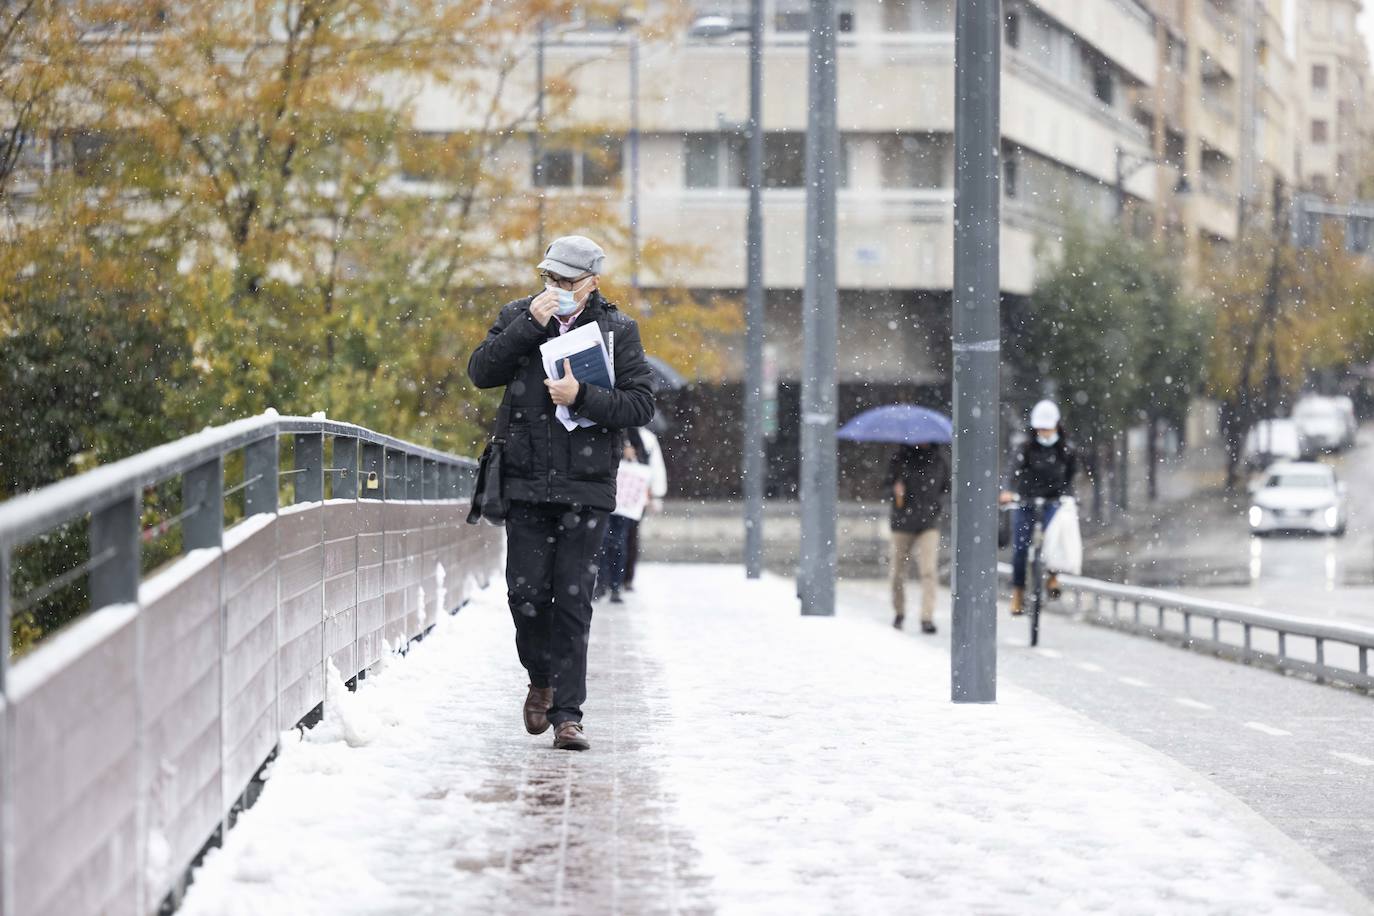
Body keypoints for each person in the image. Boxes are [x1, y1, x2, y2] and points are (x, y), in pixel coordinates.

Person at [466, 235, 654, 751]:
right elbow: (482, 372)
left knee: (573, 599)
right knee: (525, 596)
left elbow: (640, 406)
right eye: (551, 278)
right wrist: (529, 326)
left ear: (592, 281)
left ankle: (569, 715)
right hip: (525, 480)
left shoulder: (617, 330)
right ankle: (541, 680)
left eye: (569, 281)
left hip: (586, 484)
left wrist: (584, 397)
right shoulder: (517, 315)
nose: (558, 289)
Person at [1000, 400, 1078, 616]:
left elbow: (1071, 477)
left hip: (1053, 499)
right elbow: (1011, 472)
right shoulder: (1025, 448)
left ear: (1056, 426)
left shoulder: (1066, 450)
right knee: (1020, 548)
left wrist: (1069, 497)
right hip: (1026, 499)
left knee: (1054, 539)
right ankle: (1018, 592)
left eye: (1047, 428)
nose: (1044, 432)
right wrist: (1007, 491)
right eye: (1040, 428)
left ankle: (1053, 576)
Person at [887, 442, 950, 633]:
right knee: (898, 572)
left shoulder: (940, 461)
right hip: (902, 522)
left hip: (928, 523)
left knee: (929, 571)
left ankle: (927, 617)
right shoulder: (899, 460)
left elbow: (947, 489)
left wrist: (937, 508)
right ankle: (899, 612)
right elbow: (885, 486)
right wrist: (895, 492)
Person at [597, 430, 650, 603]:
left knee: (618, 541)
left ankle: (614, 584)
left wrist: (630, 454)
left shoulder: (631, 430)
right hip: (605, 492)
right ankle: (602, 582)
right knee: (602, 540)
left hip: (623, 498)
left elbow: (643, 460)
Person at [621, 424, 668, 593]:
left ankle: (625, 577)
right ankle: (616, 578)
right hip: (621, 492)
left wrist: (656, 494)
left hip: (635, 493)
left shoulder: (647, 438)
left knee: (629, 537)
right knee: (620, 538)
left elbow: (655, 467)